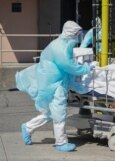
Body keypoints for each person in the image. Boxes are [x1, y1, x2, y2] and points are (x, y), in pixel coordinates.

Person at [16, 21, 95, 152]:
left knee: (51, 113)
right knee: (59, 112)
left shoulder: (61, 44)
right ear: (71, 33)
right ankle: (61, 142)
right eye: (76, 34)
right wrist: (87, 68)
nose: (77, 37)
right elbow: (69, 66)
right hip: (54, 83)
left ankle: (28, 127)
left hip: (52, 81)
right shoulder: (61, 48)